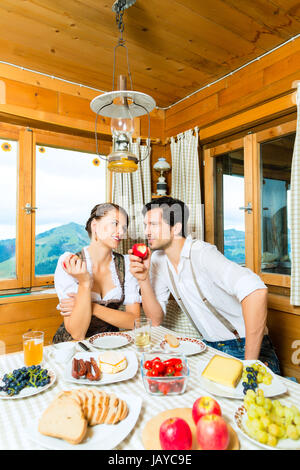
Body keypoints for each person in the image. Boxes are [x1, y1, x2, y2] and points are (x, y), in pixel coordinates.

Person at [129, 196, 281, 374]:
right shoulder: (158, 260)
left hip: (245, 346)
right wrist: (143, 279)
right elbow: (155, 320)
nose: (147, 232)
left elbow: (257, 292)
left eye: (153, 225)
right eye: (145, 225)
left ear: (176, 228)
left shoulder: (203, 254)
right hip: (210, 348)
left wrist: (250, 366)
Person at [52, 203, 141, 343]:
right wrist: (85, 282)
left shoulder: (127, 263)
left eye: (124, 227)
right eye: (115, 223)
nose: (121, 232)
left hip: (111, 343)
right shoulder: (70, 262)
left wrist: (91, 307)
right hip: (72, 347)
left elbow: (134, 322)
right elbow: (77, 333)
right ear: (95, 226)